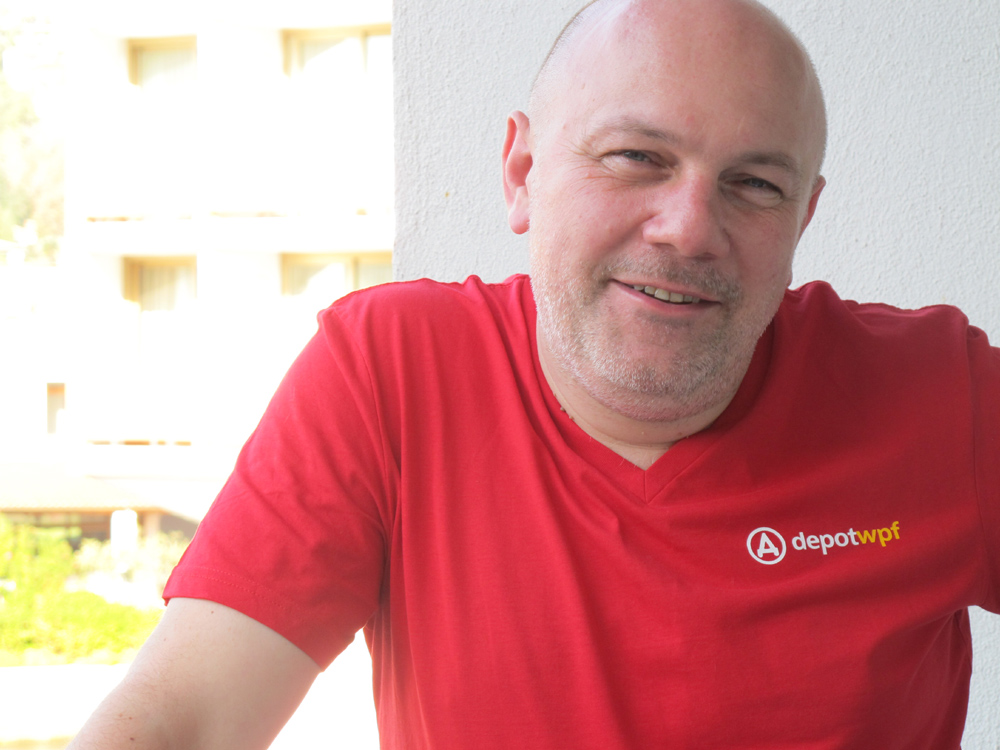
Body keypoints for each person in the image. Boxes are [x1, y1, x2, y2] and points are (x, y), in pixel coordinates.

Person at [69, 0, 999, 748]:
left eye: (755, 184)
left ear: (803, 217)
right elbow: (187, 718)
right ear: (520, 170)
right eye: (636, 158)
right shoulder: (390, 371)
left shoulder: (940, 394)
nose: (688, 228)